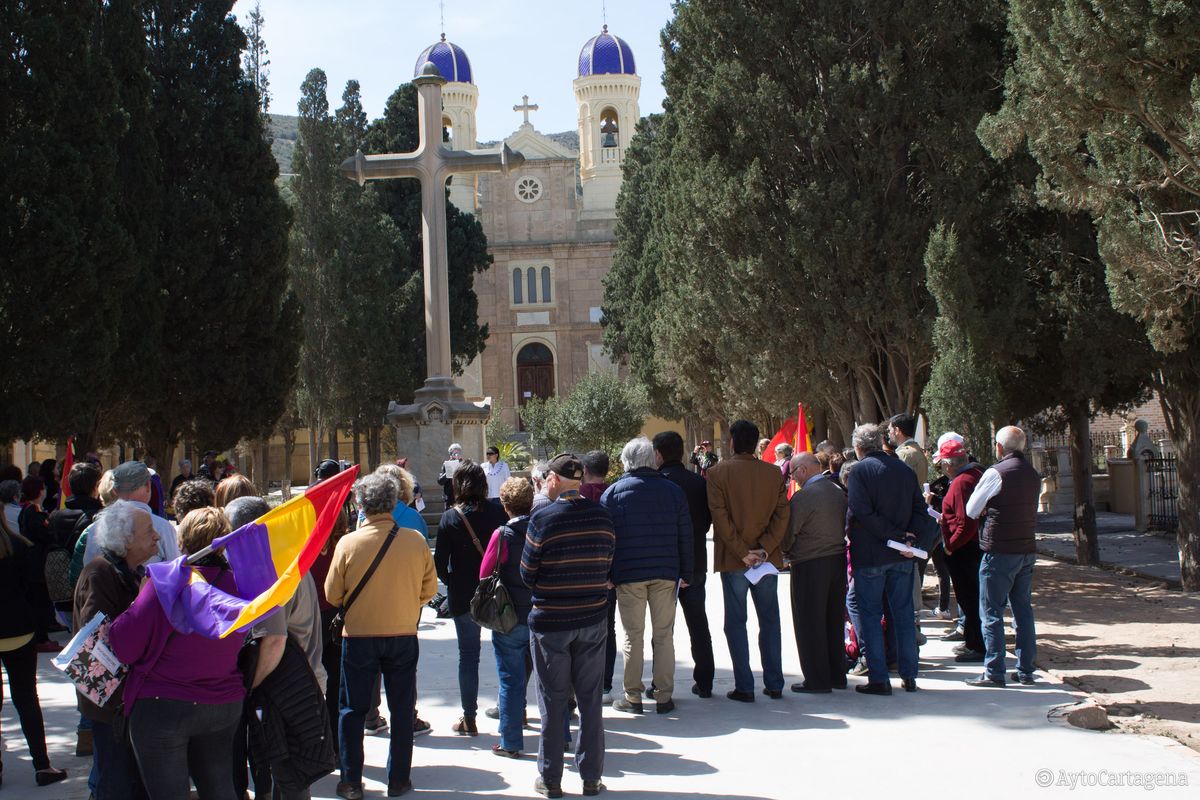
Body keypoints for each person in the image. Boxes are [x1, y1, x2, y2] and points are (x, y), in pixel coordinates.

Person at [110, 507, 246, 800]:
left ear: (182, 541)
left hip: (164, 706)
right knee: (220, 789)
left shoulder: (164, 582)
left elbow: (124, 646)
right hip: (223, 702)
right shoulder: (239, 587)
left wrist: (137, 599)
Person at [325, 473, 436, 800]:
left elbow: (333, 594)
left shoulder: (348, 543)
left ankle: (351, 781)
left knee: (352, 710)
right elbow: (429, 590)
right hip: (402, 634)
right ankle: (399, 779)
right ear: (393, 502)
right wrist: (403, 604)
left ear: (361, 504)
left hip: (359, 636)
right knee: (403, 709)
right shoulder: (415, 540)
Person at [521, 453, 615, 799]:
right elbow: (607, 564)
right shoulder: (603, 517)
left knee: (553, 700)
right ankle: (591, 777)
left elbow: (527, 573)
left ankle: (551, 779)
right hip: (591, 618)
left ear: (554, 480)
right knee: (590, 701)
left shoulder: (543, 519)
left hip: (552, 622)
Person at [228, 497, 325, 800]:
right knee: (292, 780)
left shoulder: (265, 567)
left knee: (288, 781)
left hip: (286, 691)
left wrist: (247, 686)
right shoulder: (285, 554)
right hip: (303, 684)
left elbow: (273, 640)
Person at [74, 500, 160, 799]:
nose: (157, 536)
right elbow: (97, 638)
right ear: (125, 540)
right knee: (115, 782)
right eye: (149, 531)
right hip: (110, 704)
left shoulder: (131, 571)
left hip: (128, 700)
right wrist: (140, 605)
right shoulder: (101, 573)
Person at [601, 437, 692, 715]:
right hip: (665, 572)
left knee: (633, 636)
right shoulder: (673, 491)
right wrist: (686, 572)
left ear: (626, 462)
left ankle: (633, 696)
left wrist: (608, 573)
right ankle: (664, 695)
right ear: (654, 459)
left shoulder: (613, 493)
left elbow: (607, 539)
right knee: (664, 635)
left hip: (629, 575)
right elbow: (684, 535)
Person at [705, 420, 789, 702]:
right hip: (766, 561)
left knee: (736, 621)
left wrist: (743, 552)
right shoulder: (774, 473)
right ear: (755, 443)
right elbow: (782, 516)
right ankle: (775, 683)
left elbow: (720, 518)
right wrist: (764, 549)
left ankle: (744, 685)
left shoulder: (717, 473)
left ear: (731, 442)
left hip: (734, 560)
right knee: (770, 620)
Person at [845, 423, 925, 695]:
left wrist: (899, 536)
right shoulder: (902, 470)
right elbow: (920, 509)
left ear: (858, 447)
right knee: (902, 614)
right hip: (901, 554)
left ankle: (879, 678)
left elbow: (861, 513)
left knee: (870, 615)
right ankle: (909, 674)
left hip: (871, 555)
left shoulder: (859, 471)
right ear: (879, 443)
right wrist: (909, 539)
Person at [0, 486, 68, 789]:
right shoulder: (19, 545)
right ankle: (42, 765)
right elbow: (32, 592)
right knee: (26, 698)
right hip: (18, 629)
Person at [434, 462, 507, 736]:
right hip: (498, 591)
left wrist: (452, 582)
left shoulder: (450, 518)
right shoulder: (498, 511)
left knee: (468, 656)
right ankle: (514, 709)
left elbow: (440, 563)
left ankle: (469, 717)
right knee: (508, 651)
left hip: (464, 593)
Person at [965, 426, 1040, 688]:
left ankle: (994, 670)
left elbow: (972, 509)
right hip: (1026, 549)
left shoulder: (996, 473)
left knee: (991, 612)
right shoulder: (1032, 474)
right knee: (1023, 611)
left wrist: (987, 508)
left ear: (999, 447)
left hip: (999, 550)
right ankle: (1026, 669)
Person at [654, 431, 715, 699]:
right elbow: (707, 521)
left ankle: (660, 682)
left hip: (664, 564)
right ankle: (705, 681)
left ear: (658, 454)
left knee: (662, 628)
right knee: (698, 623)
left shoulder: (657, 485)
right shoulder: (698, 483)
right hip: (696, 561)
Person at [478, 477, 536, 757]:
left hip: (509, 616)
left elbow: (485, 574)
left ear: (505, 505)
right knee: (552, 681)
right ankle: (560, 736)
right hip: (541, 613)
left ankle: (511, 741)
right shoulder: (543, 528)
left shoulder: (502, 535)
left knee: (510, 680)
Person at [782, 453, 848, 693]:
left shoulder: (804, 497)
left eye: (792, 474)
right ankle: (836, 675)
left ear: (802, 471)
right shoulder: (836, 490)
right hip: (836, 560)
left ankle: (817, 679)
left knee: (810, 622)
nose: (792, 479)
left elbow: (789, 534)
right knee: (832, 620)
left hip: (810, 562)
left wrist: (783, 550)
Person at [929, 438, 986, 663]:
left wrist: (951, 545)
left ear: (949, 464)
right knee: (968, 599)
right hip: (968, 547)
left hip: (964, 550)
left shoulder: (963, 482)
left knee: (970, 599)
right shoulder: (971, 477)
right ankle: (972, 641)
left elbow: (965, 521)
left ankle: (978, 645)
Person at [83, 461, 180, 568]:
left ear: (114, 490)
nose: (155, 536)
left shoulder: (95, 528)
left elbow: (88, 566)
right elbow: (175, 570)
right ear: (148, 485)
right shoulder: (163, 527)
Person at [577, 450, 616, 700]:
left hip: (581, 574)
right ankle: (605, 685)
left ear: (585, 470)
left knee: (581, 631)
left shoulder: (576, 497)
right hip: (608, 574)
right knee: (608, 629)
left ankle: (583, 685)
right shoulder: (614, 494)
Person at [17, 475, 57, 651]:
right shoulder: (33, 512)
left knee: (40, 601)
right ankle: (41, 638)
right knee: (39, 603)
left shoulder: (30, 510)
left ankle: (41, 636)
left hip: (35, 562)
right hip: (36, 564)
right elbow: (45, 534)